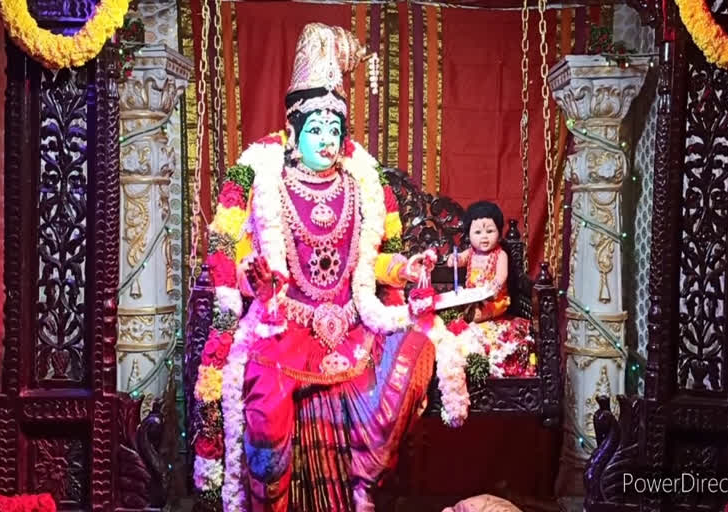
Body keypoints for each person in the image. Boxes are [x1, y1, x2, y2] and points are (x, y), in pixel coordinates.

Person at [192, 23, 438, 512]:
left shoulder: (360, 187)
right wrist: (254, 280)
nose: (326, 140)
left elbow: (371, 263)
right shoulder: (268, 187)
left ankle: (363, 494)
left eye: (334, 129)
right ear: (294, 132)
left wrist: (405, 269)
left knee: (416, 351)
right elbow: (240, 262)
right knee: (266, 409)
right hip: (285, 328)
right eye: (315, 129)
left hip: (351, 325)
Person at [448, 201, 536, 379]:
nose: (484, 237)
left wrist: (495, 285)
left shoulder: (500, 254)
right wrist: (454, 259)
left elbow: (501, 275)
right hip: (474, 298)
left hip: (495, 299)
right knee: (456, 313)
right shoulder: (471, 252)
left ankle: (475, 317)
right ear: (469, 234)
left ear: (499, 232)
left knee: (478, 314)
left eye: (490, 231)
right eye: (478, 232)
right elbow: (459, 260)